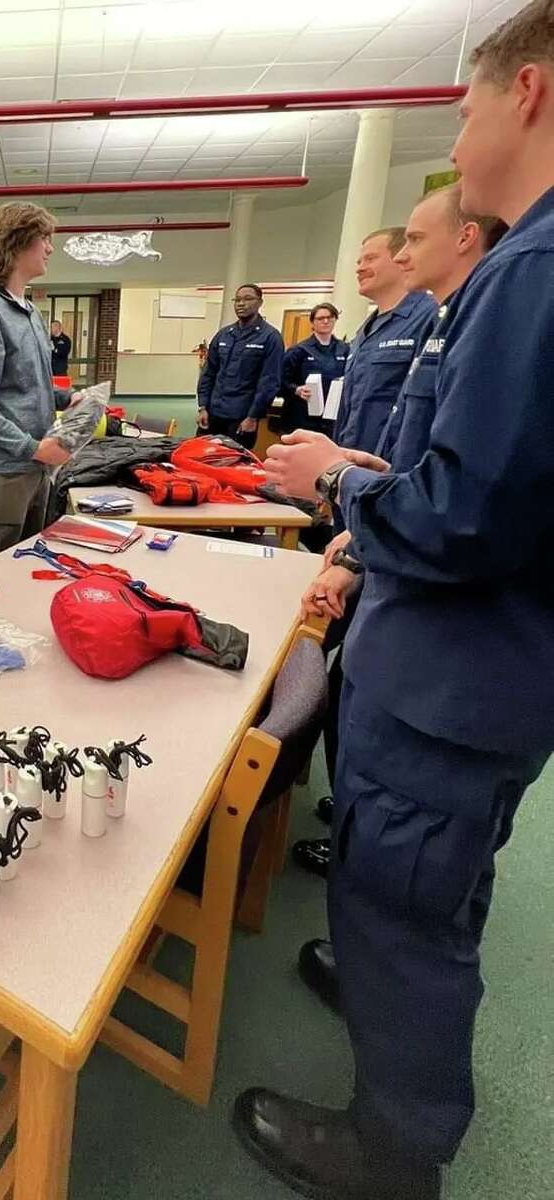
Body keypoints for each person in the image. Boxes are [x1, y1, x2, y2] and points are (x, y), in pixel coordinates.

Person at [236, 6, 554, 1197]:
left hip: (453, 683)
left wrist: (344, 492)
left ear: (525, 93)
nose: (457, 139)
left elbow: (469, 520)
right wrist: (380, 487)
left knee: (415, 913)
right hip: (477, 672)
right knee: (411, 891)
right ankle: (374, 990)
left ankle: (391, 1147)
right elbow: (488, 488)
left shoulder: (529, 273)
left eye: (466, 112)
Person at [293, 183, 508, 969]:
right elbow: (407, 461)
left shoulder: (484, 311)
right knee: (379, 804)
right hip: (391, 566)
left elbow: (450, 501)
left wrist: (339, 489)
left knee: (419, 893)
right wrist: (354, 546)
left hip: (452, 652)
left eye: (412, 241)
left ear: (468, 240)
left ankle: (401, 1097)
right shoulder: (431, 323)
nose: (399, 254)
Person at [0, 202, 74, 565]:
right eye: (44, 238)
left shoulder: (28, 310)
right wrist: (34, 448)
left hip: (33, 467)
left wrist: (69, 398)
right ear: (17, 242)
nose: (50, 248)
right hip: (2, 472)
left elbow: (29, 384)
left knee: (27, 565)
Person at [331, 227, 437, 456]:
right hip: (353, 461)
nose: (359, 268)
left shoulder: (430, 317)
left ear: (401, 259)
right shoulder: (364, 332)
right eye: (359, 261)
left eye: (370, 258)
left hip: (391, 468)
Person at [195, 283, 285, 449]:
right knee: (201, 457)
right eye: (237, 300)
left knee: (233, 465)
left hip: (241, 417)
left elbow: (269, 382)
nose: (241, 304)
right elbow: (208, 373)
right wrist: (202, 406)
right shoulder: (224, 335)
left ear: (260, 302)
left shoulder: (270, 337)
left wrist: (253, 417)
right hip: (213, 413)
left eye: (248, 299)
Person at [278, 302, 348, 434]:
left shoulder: (345, 349)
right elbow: (279, 381)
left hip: (332, 420)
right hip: (301, 419)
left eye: (330, 317)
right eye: (321, 318)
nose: (326, 321)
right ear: (312, 322)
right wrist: (296, 389)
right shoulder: (298, 350)